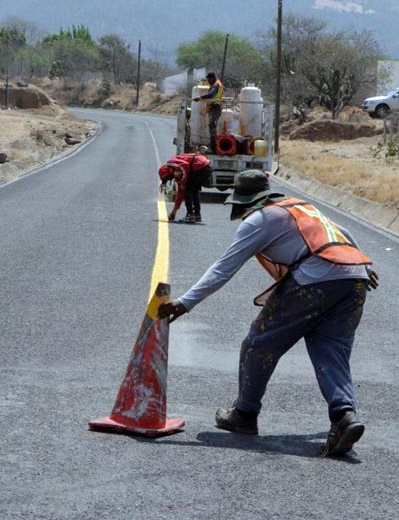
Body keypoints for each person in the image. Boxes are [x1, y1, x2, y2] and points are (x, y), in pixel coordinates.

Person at [158, 170, 379, 457]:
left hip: (315, 281)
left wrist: (186, 302)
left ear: (245, 201)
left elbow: (224, 268)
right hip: (354, 278)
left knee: (258, 344)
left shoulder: (259, 220)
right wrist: (365, 267)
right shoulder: (302, 207)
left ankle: (245, 414)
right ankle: (344, 416)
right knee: (331, 349)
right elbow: (343, 234)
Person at [158, 153, 212, 223]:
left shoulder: (171, 163)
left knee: (188, 191)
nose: (169, 179)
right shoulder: (179, 174)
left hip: (200, 166)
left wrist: (183, 182)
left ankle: (190, 215)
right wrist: (173, 212)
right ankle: (197, 215)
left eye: (166, 178)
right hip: (206, 168)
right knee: (194, 191)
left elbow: (185, 165)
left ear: (166, 172)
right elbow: (180, 194)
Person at [192, 72, 223, 153]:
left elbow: (211, 94)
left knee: (212, 127)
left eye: (209, 79)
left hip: (215, 107)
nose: (208, 81)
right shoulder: (217, 84)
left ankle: (213, 147)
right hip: (215, 107)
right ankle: (213, 146)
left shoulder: (216, 85)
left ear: (213, 78)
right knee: (212, 127)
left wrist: (200, 97)